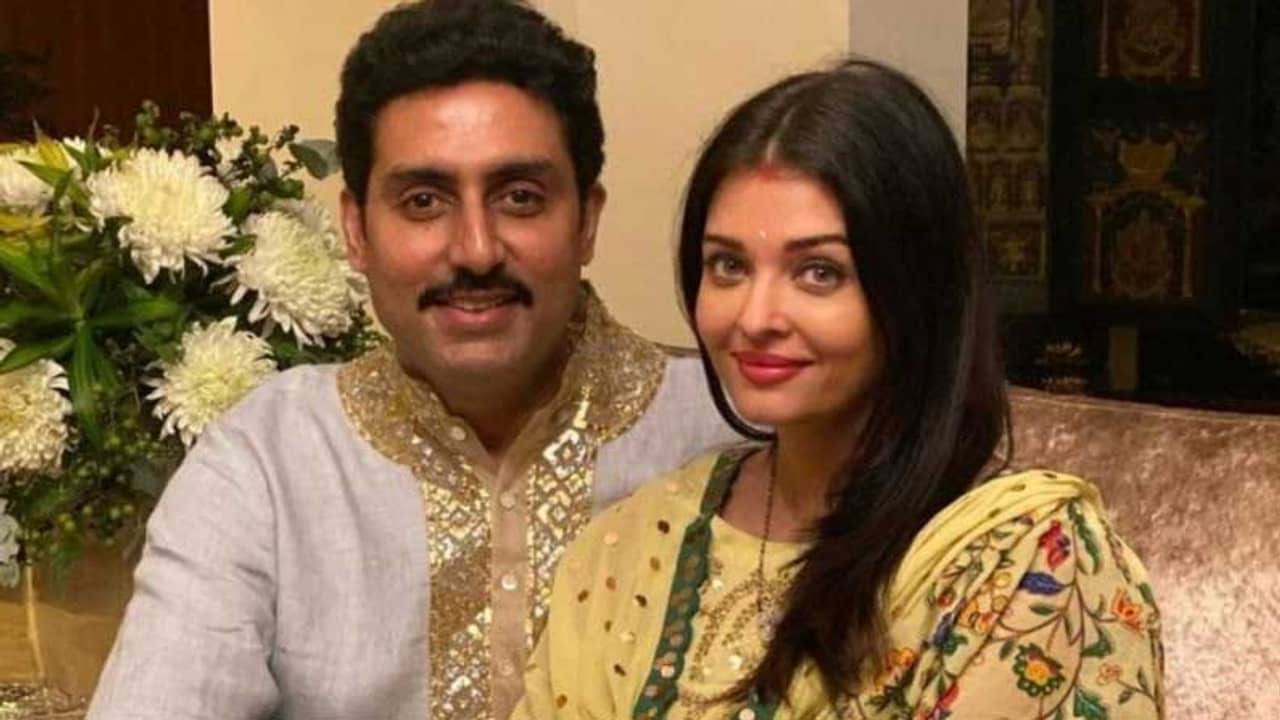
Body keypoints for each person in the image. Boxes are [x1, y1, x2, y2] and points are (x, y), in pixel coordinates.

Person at [87, 2, 738, 719]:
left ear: (586, 220)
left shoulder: (728, 433)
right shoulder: (271, 460)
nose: (476, 250)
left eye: (520, 197)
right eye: (424, 201)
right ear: (356, 230)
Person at [513, 60, 1164, 719]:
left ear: (916, 290)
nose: (756, 317)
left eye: (819, 272)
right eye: (729, 265)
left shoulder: (1027, 561)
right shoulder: (634, 544)